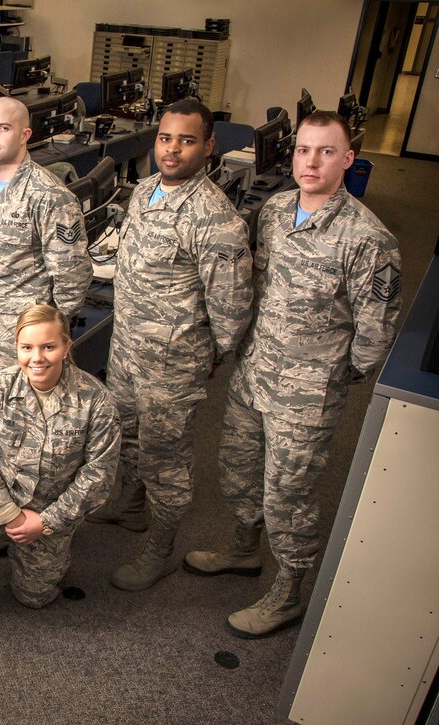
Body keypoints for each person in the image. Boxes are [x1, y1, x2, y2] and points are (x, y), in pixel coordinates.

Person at [184, 111, 401, 638]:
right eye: (304, 149)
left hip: (307, 393)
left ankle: (289, 590)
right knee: (238, 468)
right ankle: (242, 551)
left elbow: (376, 333)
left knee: (289, 493)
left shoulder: (368, 239)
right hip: (255, 373)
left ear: (347, 160)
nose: (311, 161)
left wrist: (328, 378)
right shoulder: (276, 210)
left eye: (326, 151)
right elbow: (257, 284)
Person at [86, 98, 253, 593]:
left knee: (167, 459)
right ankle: (130, 507)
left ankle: (159, 549)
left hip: (173, 363)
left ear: (208, 146)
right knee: (126, 433)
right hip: (127, 348)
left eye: (186, 139)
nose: (173, 149)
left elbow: (232, 307)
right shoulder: (142, 192)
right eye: (165, 137)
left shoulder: (215, 219)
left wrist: (210, 357)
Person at [0, 304, 120, 642]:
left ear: (66, 346)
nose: (37, 358)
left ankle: (16, 543)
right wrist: (9, 514)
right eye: (27, 347)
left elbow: (98, 476)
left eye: (49, 347)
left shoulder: (96, 401)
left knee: (34, 597)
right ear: (16, 346)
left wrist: (44, 523)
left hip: (51, 506)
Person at [0, 96, 92, 383]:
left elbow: (72, 276)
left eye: (3, 129)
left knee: (29, 419)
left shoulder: (49, 195)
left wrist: (51, 338)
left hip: (27, 340)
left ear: (25, 135)